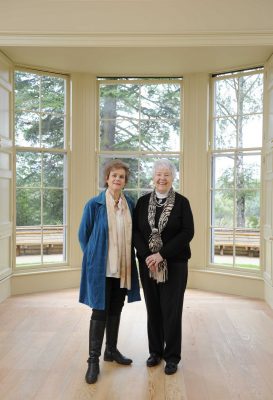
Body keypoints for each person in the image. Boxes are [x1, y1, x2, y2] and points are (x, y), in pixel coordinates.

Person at [78, 159, 141, 384]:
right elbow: (83, 236)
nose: (117, 179)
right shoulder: (94, 205)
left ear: (125, 182)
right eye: (114, 175)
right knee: (100, 311)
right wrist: (94, 257)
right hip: (101, 269)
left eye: (121, 176)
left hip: (123, 267)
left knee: (116, 308)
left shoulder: (130, 204)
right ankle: (92, 360)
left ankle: (111, 350)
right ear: (107, 178)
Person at [133, 159, 194, 375]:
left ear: (173, 177)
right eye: (159, 174)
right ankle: (155, 352)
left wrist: (161, 254)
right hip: (148, 265)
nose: (162, 178)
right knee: (154, 309)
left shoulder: (182, 203)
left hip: (174, 265)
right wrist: (149, 256)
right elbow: (136, 233)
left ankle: (172, 357)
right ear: (153, 176)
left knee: (171, 310)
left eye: (167, 174)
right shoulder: (141, 203)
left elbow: (187, 233)